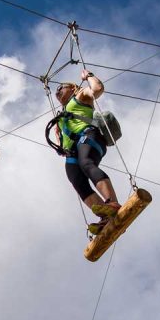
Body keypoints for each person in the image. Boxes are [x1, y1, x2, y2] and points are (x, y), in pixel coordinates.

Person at [55, 69, 119, 227]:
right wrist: (59, 138)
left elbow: (98, 89)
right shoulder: (61, 116)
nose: (57, 91)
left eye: (61, 87)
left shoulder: (80, 96)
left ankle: (112, 203)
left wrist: (89, 76)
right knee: (76, 179)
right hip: (72, 150)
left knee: (86, 163)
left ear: (73, 88)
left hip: (89, 136)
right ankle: (105, 216)